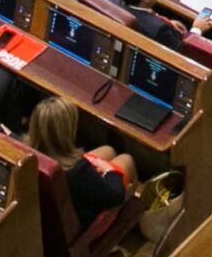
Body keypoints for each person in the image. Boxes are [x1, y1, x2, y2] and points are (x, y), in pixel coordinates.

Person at [29, 95, 143, 228]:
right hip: (77, 222)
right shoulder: (78, 172)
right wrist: (110, 171)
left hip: (47, 213)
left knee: (109, 150)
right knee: (126, 160)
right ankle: (133, 215)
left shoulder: (26, 154)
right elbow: (115, 196)